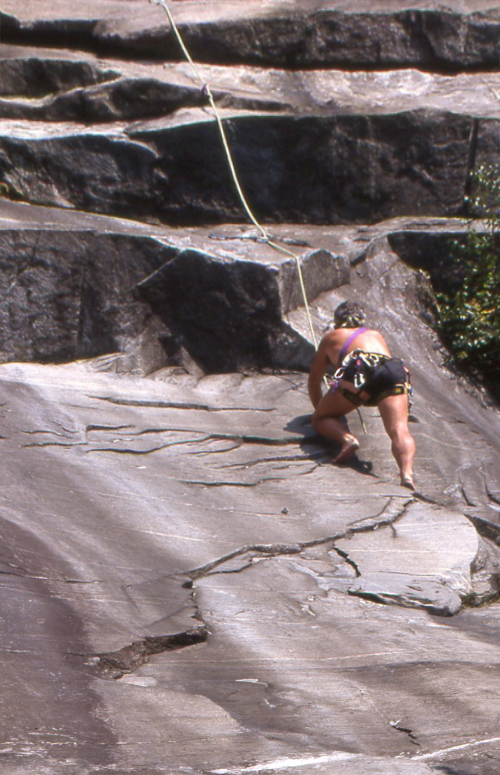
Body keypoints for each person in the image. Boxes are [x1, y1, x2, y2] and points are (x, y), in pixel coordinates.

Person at [308, 300, 416, 490]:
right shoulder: (375, 335)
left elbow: (314, 381)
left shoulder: (331, 336)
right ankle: (406, 474)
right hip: (394, 371)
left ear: (336, 321)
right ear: (361, 320)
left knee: (319, 419)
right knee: (399, 429)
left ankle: (348, 440)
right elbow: (381, 368)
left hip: (361, 372)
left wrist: (323, 411)